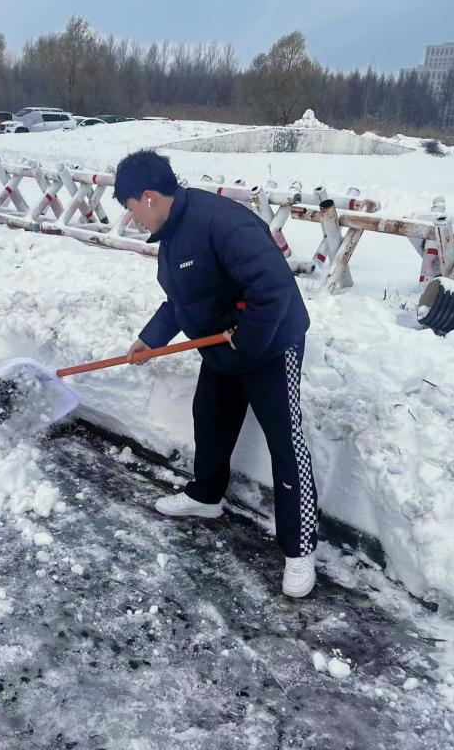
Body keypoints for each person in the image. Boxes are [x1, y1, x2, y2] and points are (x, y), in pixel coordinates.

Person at [115, 150, 319, 598]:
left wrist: (245, 342)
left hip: (270, 342)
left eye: (131, 210)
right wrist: (152, 340)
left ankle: (300, 548)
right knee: (210, 419)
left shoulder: (223, 222)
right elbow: (182, 301)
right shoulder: (172, 235)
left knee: (285, 441)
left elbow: (273, 289)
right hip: (220, 342)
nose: (133, 220)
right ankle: (206, 497)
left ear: (149, 197)